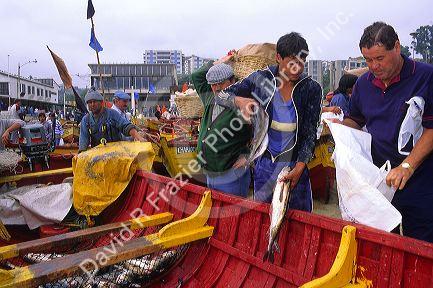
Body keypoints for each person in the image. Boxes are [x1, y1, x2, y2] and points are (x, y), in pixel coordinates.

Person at [340, 22, 433, 242]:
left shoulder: (425, 76)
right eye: (368, 60)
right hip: (380, 181)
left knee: (420, 242)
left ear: (397, 47)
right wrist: (337, 128)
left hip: (419, 178)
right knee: (382, 241)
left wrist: (407, 167)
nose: (374, 66)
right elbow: (355, 119)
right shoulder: (363, 84)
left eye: (379, 58)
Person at [219, 32, 322, 211]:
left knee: (300, 222)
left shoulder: (311, 88)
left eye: (301, 61)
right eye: (291, 62)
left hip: (294, 166)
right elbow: (221, 96)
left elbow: (310, 132)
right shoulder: (261, 79)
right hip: (265, 165)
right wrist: (240, 101)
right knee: (263, 219)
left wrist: (299, 167)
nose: (297, 68)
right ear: (278, 58)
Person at [192, 59, 252, 197]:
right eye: (213, 84)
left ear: (233, 81)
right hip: (210, 172)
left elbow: (263, 131)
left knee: (233, 214)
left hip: (231, 174)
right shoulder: (209, 99)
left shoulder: (242, 103)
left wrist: (249, 157)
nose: (217, 87)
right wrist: (219, 62)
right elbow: (196, 75)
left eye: (222, 83)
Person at [78, 88, 145, 153]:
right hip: (97, 156)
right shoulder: (86, 120)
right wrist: (81, 154)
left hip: (116, 153)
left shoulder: (112, 114)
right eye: (89, 102)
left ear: (101, 102)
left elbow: (126, 126)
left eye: (94, 101)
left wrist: (138, 137)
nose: (92, 104)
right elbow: (83, 143)